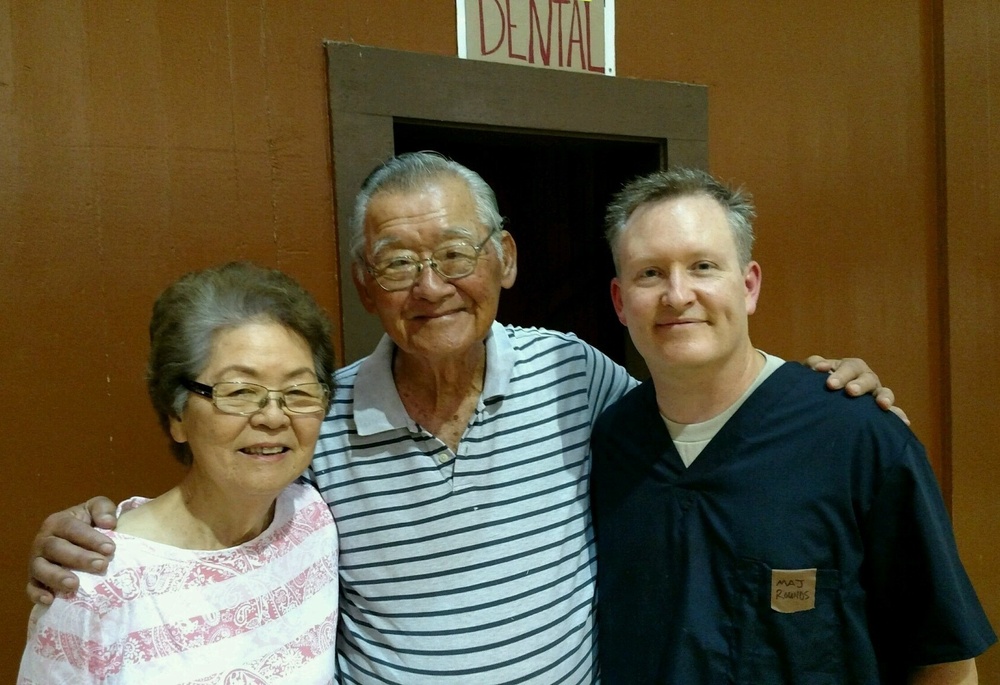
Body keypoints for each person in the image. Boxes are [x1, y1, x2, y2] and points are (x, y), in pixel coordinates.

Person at [28, 153, 901, 683]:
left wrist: (819, 392)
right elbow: (223, 500)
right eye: (398, 262)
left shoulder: (573, 372)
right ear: (366, 286)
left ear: (505, 260)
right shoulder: (316, 418)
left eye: (454, 253)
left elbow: (699, 412)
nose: (432, 284)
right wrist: (103, 533)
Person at [590, 167, 996, 684]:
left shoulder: (858, 438)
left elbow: (946, 662)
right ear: (621, 303)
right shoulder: (610, 444)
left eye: (703, 266)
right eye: (649, 273)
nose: (677, 294)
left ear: (749, 285)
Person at [18, 262, 340, 683]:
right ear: (177, 414)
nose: (274, 417)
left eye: (298, 391)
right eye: (240, 392)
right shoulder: (97, 582)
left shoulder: (311, 520)